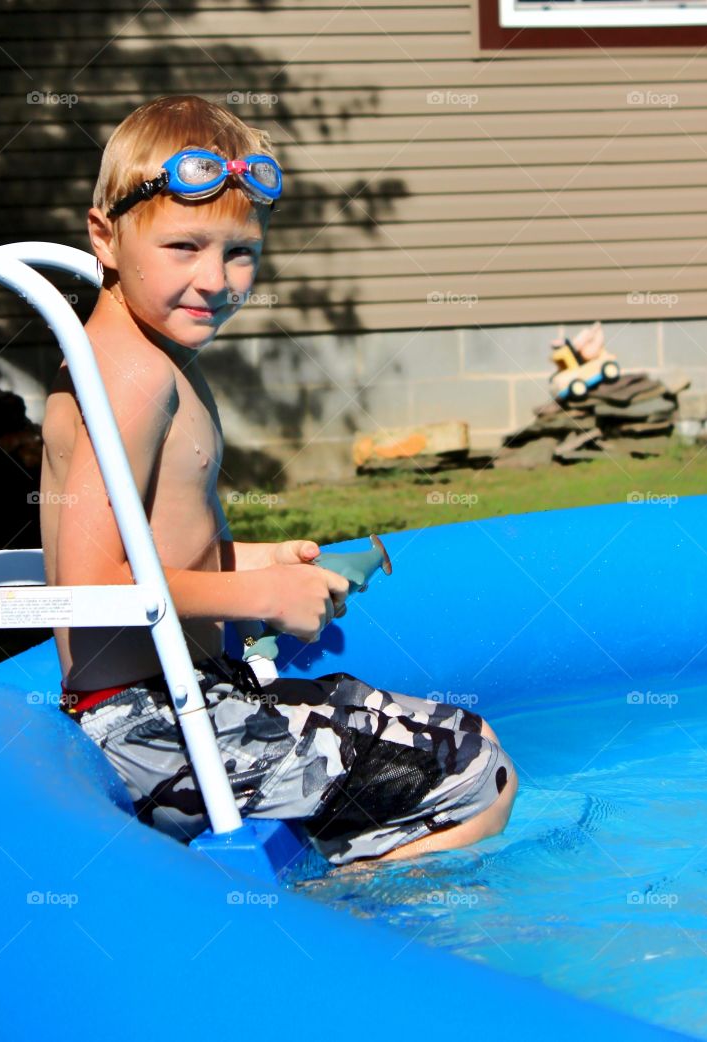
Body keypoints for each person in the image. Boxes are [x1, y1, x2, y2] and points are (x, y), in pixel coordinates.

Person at [39, 95, 517, 868]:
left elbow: (157, 546)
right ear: (106, 238)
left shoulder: (157, 361)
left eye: (240, 252)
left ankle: (341, 884)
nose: (216, 279)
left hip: (195, 697)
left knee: (472, 737)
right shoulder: (127, 374)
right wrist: (256, 599)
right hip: (149, 729)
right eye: (185, 247)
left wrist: (259, 560)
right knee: (477, 775)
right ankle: (339, 931)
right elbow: (93, 582)